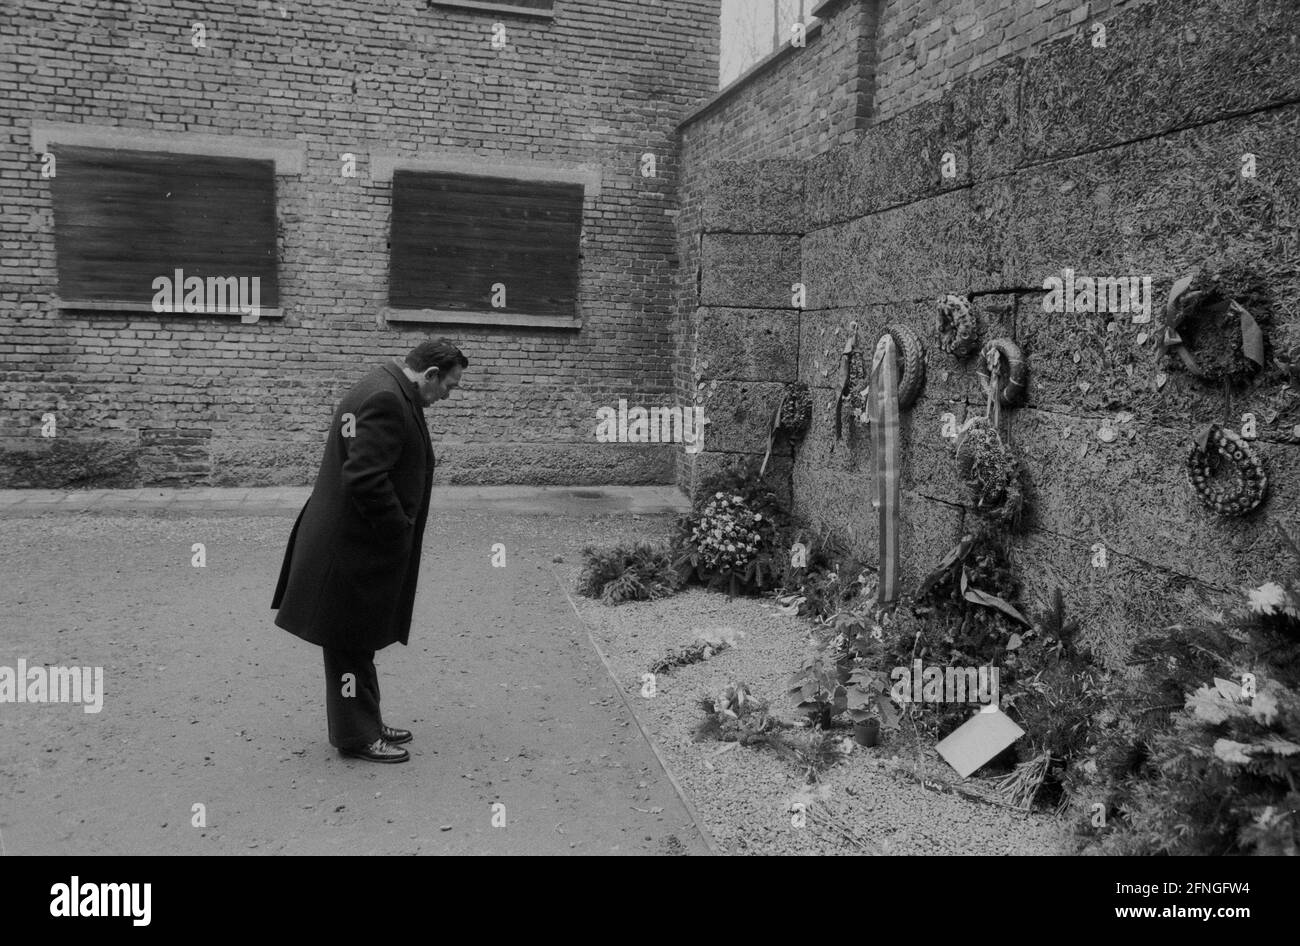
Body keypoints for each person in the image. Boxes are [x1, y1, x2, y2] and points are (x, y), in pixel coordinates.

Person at [271, 339, 467, 763]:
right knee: (348, 641)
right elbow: (364, 476)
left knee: (356, 640)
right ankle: (357, 736)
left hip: (348, 540)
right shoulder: (387, 399)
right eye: (447, 387)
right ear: (430, 374)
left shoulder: (385, 385)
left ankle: (367, 723)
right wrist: (398, 528)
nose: (446, 396)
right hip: (350, 546)